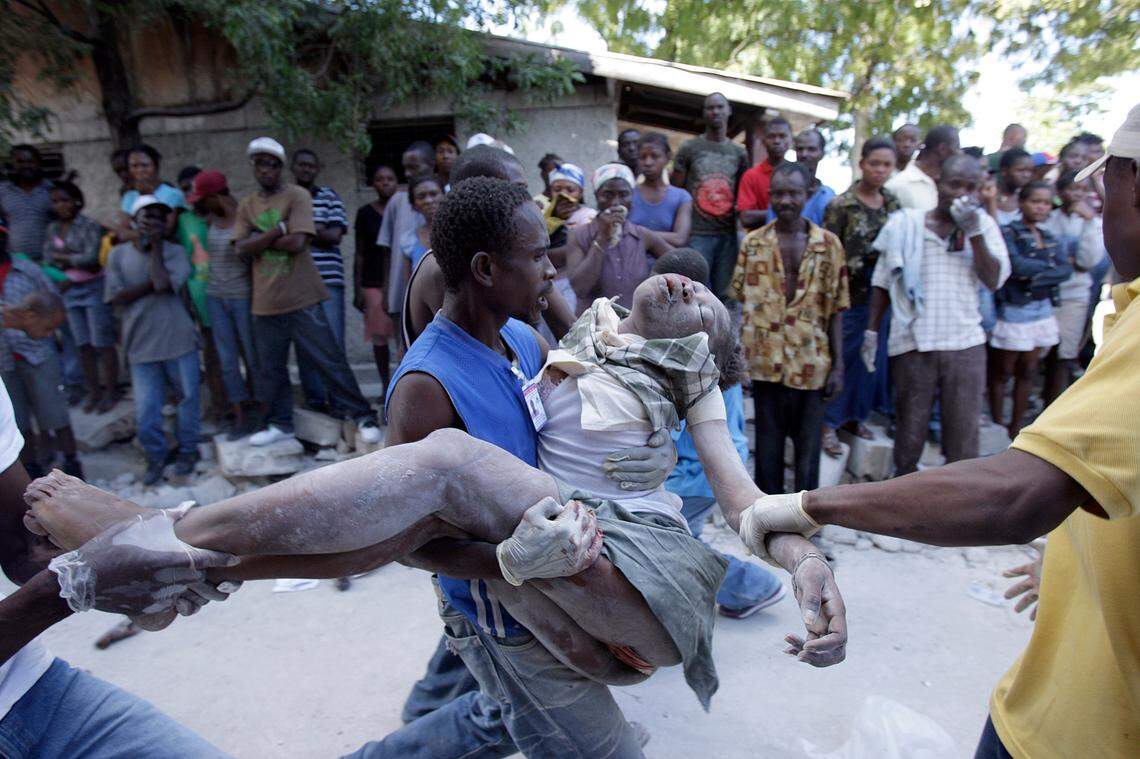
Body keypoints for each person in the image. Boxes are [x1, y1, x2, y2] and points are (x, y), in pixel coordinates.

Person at [31, 219, 844, 759]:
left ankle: (168, 536)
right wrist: (460, 247)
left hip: (636, 568)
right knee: (471, 634)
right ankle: (188, 566)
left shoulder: (686, 379)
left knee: (448, 466)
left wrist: (804, 559)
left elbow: (742, 497)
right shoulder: (564, 335)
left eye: (706, 301)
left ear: (706, 348)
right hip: (554, 584)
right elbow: (445, 282)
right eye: (534, 253)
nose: (687, 285)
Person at [738, 101, 1140, 759]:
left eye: (1105, 183)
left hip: (1083, 735)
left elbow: (1014, 494)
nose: (1097, 199)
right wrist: (1069, 554)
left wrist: (812, 506)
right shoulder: (1126, 311)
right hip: (1059, 700)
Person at [381, 176, 706, 757]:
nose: (552, 271)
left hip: (554, 599)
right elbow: (402, 541)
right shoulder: (426, 388)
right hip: (501, 617)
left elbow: (571, 430)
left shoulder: (524, 340)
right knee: (600, 749)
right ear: (484, 269)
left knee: (501, 719)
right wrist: (505, 560)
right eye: (536, 257)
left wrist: (651, 451)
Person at [0, 376, 234, 759]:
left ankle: (193, 542)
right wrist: (74, 584)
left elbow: (21, 548)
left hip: (24, 685)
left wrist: (112, 553)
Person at [656, 248, 786, 619]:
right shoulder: (714, 326)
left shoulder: (692, 342)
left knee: (677, 546)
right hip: (713, 464)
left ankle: (752, 586)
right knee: (680, 539)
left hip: (698, 471)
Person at [864, 154, 1010, 475]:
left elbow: (993, 279)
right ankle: (905, 506)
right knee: (909, 432)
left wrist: (974, 233)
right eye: (953, 184)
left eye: (969, 187)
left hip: (964, 344)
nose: (961, 193)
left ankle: (958, 508)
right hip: (913, 343)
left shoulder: (983, 225)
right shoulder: (905, 223)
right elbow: (882, 281)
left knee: (962, 437)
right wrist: (871, 333)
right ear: (937, 184)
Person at [234, 137, 380, 448]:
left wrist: (260, 239)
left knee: (329, 359)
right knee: (270, 369)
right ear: (254, 167)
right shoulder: (247, 204)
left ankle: (362, 415)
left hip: (303, 296)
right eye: (260, 163)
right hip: (265, 302)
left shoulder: (298, 195)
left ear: (280, 167)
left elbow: (298, 242)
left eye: (272, 163)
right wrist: (278, 231)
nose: (266, 169)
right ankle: (279, 423)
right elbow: (240, 249)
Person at [731, 161, 848, 493]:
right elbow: (740, 304)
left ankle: (807, 522)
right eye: (778, 193)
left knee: (808, 451)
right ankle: (771, 524)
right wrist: (737, 360)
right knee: (767, 447)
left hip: (812, 361)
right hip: (765, 363)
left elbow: (837, 306)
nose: (785, 201)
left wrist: (838, 365)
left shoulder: (829, 245)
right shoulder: (753, 244)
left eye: (793, 193)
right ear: (769, 195)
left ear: (808, 193)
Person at [103, 196, 200, 485]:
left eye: (160, 218)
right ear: (134, 221)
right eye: (148, 218)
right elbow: (116, 297)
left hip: (178, 338)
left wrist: (156, 247)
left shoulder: (175, 252)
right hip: (140, 343)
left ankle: (188, 450)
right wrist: (150, 286)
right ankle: (156, 455)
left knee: (188, 400)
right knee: (147, 409)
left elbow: (164, 283)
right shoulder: (118, 255)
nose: (154, 223)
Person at [820, 137, 901, 457]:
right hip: (848, 297)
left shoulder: (893, 204)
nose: (880, 170)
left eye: (886, 165)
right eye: (875, 163)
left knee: (871, 363)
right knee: (845, 360)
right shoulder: (842, 205)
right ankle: (828, 423)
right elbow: (828, 252)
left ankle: (855, 418)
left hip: (880, 298)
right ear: (862, 163)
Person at [989, 182, 1070, 438]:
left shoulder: (1049, 236)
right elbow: (1016, 266)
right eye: (1036, 201)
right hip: (1014, 309)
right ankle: (997, 422)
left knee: (1028, 370)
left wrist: (1036, 275)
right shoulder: (1009, 232)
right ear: (1022, 202)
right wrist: (1047, 270)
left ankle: (1016, 427)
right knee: (1002, 371)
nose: (1041, 207)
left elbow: (1065, 270)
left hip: (1041, 310)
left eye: (1046, 203)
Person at [0, 225, 78, 479]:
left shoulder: (27, 270)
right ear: (29, 316)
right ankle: (28, 475)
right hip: (5, 363)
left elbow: (51, 300)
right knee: (16, 422)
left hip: (34, 357)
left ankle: (71, 466)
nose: (48, 335)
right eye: (47, 329)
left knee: (55, 413)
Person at [189, 170, 261, 440]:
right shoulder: (210, 220)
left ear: (216, 196)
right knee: (227, 359)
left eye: (203, 198)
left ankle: (259, 410)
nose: (200, 204)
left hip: (242, 295)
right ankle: (239, 413)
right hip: (216, 296)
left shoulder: (244, 216)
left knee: (253, 357)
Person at [42, 182, 119, 415]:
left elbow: (92, 260)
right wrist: (69, 259)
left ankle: (111, 391)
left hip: (92, 287)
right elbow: (47, 257)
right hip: (68, 291)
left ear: (76, 200)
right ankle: (94, 392)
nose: (61, 205)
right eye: (55, 201)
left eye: (65, 200)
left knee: (102, 342)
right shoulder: (53, 228)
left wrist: (63, 259)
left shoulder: (89, 224)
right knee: (82, 344)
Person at [288, 149, 351, 415]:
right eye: (301, 165)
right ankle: (315, 403)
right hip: (297, 281)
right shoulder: (286, 198)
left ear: (317, 168)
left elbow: (335, 235)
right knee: (305, 346)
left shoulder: (328, 196)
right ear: (293, 167)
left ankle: (340, 403)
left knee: (333, 344)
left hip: (328, 281)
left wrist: (301, 232)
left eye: (310, 165)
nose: (306, 169)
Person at [671, 93, 750, 298]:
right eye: (710, 108)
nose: (715, 111)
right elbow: (676, 188)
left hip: (727, 235)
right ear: (704, 113)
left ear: (728, 110)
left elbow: (743, 190)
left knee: (726, 294)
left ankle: (723, 330)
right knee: (693, 291)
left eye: (720, 107)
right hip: (697, 233)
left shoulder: (738, 152)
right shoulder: (690, 148)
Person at [565, 164, 673, 311]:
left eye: (623, 194)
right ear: (597, 196)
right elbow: (580, 288)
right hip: (594, 327)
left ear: (631, 197)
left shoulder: (641, 235)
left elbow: (679, 261)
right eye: (608, 195)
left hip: (635, 327)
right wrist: (602, 238)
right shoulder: (578, 235)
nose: (616, 202)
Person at [1040, 170, 1105, 402]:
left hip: (1074, 294)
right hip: (1045, 294)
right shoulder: (1048, 217)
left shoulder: (1092, 222)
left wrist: (1088, 222)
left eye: (1081, 189)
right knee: (1041, 353)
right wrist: (1065, 261)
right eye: (1071, 188)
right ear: (1059, 191)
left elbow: (1087, 262)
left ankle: (1052, 407)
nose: (1076, 194)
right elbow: (1044, 256)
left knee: (1064, 355)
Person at [173, 165, 226, 422]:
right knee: (212, 355)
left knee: (236, 354)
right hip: (199, 297)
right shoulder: (183, 220)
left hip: (227, 293)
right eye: (186, 189)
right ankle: (220, 408)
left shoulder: (221, 216)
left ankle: (245, 405)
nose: (193, 194)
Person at [354, 164, 399, 405]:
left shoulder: (404, 210)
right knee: (380, 339)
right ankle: (385, 385)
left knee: (404, 338)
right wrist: (357, 286)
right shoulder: (365, 213)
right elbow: (360, 252)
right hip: (373, 283)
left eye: (389, 178)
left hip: (400, 282)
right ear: (373, 184)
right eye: (380, 179)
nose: (385, 183)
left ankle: (403, 386)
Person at [379, 141, 435, 322]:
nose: (407, 173)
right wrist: (387, 291)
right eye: (405, 168)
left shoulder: (442, 199)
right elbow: (387, 251)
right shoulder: (397, 201)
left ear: (431, 165)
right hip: (401, 290)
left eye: (414, 167)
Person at [761, 128, 836, 226]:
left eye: (811, 149)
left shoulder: (827, 196)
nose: (804, 154)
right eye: (800, 149)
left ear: (822, 153)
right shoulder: (780, 193)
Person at [114, 144, 188, 243]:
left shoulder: (173, 194)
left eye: (145, 165)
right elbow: (122, 232)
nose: (140, 170)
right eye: (134, 166)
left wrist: (136, 233)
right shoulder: (129, 197)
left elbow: (167, 230)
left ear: (156, 166)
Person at [629, 132, 692, 247]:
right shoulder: (628, 194)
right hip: (630, 263)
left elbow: (680, 238)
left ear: (668, 158)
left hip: (667, 263)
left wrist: (637, 232)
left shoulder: (681, 197)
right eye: (642, 157)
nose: (648, 162)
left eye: (655, 156)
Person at [886, 125, 960, 211]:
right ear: (942, 149)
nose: (959, 153)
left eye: (913, 140)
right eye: (957, 147)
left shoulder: (948, 186)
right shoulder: (897, 185)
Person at [737, 116, 792, 229]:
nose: (777, 141)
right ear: (763, 141)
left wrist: (763, 214)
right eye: (772, 136)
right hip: (761, 243)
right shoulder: (751, 176)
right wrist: (787, 212)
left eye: (782, 136)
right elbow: (746, 218)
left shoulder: (799, 175)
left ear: (791, 140)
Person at [0, 146, 54, 260]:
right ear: (13, 164)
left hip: (49, 262)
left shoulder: (53, 190)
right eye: (20, 162)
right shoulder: (3, 191)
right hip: (16, 262)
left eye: (30, 161)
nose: (25, 166)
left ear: (39, 163)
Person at [399, 175, 443, 284]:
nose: (428, 200)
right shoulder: (409, 240)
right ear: (413, 205)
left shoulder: (460, 234)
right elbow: (409, 284)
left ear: (445, 196)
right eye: (421, 196)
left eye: (433, 194)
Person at [993, 148, 1034, 225]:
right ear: (1004, 171)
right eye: (1021, 170)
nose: (1026, 175)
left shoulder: (1027, 198)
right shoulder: (987, 196)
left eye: (1030, 171)